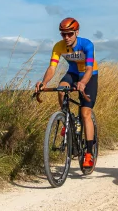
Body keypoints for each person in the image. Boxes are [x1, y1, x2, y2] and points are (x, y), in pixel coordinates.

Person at [35, 17, 98, 168]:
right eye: (63, 34)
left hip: (89, 75)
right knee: (61, 88)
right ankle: (66, 118)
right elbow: (52, 68)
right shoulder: (59, 46)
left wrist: (83, 83)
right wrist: (44, 83)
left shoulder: (87, 44)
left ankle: (89, 153)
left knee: (85, 114)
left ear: (76, 32)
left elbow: (89, 69)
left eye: (69, 34)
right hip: (73, 73)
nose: (66, 37)